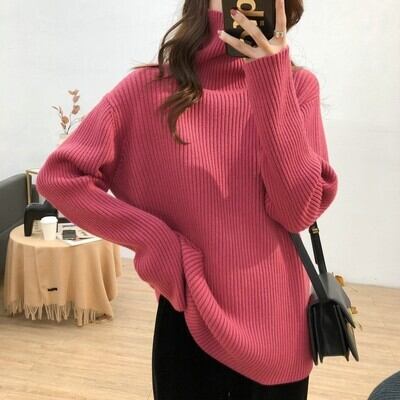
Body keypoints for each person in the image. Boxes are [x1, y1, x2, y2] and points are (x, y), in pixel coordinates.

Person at [36, 0, 339, 399]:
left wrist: (270, 79)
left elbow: (297, 211)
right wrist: (156, 241)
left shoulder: (297, 88)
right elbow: (61, 177)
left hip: (279, 334)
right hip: (189, 325)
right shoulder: (149, 89)